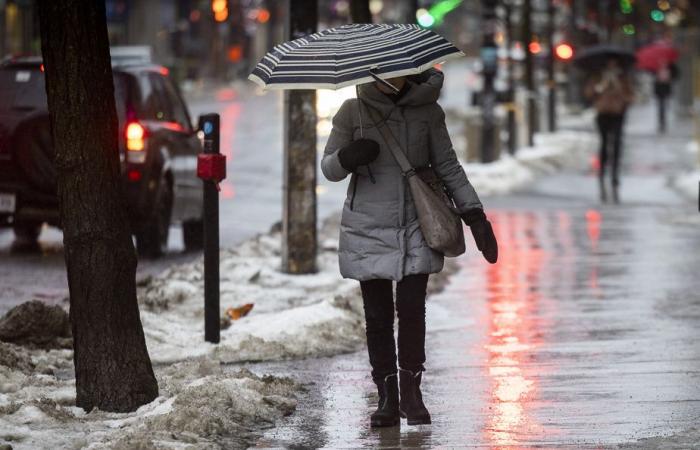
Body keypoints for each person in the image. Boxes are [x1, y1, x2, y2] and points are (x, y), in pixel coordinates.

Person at [321, 68, 498, 427]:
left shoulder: (428, 112)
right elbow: (328, 168)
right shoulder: (352, 112)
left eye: (400, 73)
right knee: (377, 316)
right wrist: (348, 157)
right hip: (367, 226)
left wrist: (474, 213)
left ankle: (412, 392)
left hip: (420, 221)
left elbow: (447, 165)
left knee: (412, 309)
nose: (393, 77)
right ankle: (386, 396)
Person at [584, 58, 634, 203]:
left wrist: (621, 93)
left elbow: (630, 95)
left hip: (618, 114)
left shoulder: (622, 78)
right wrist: (601, 86)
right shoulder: (598, 77)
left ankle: (615, 176)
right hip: (603, 114)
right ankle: (602, 173)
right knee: (604, 143)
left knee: (617, 143)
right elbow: (589, 93)